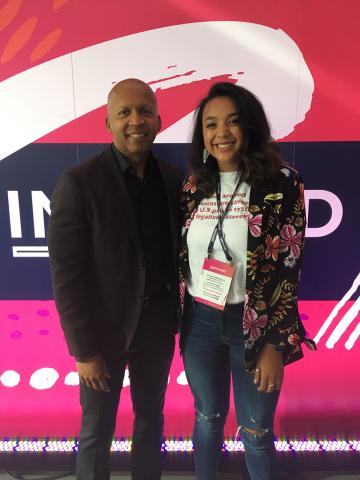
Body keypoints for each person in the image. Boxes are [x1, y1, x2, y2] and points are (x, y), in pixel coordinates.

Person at [179, 82, 315, 480]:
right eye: (211, 124)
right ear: (202, 134)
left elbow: (291, 268)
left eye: (232, 122)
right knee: (207, 417)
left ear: (250, 127)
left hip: (254, 327)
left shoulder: (282, 183)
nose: (221, 133)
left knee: (255, 430)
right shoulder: (192, 187)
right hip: (200, 321)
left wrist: (277, 342)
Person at [48, 78, 183, 480]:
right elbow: (66, 277)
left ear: (159, 120)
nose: (135, 120)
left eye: (144, 111)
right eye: (124, 112)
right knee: (95, 432)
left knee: (149, 425)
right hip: (101, 339)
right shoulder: (79, 183)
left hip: (157, 331)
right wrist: (83, 350)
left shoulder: (176, 181)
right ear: (107, 123)